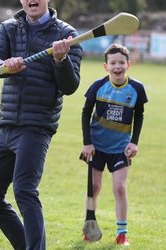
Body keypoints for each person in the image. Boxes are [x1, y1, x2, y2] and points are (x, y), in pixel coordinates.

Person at [0, 0, 83, 249]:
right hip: (7, 125)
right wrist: (3, 66)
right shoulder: (9, 28)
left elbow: (70, 87)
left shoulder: (66, 35)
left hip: (36, 126)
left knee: (25, 191)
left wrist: (61, 60)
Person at [80, 43, 148, 246]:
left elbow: (139, 115)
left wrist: (134, 142)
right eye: (113, 63)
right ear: (105, 66)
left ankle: (121, 234)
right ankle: (89, 227)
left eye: (121, 62)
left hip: (120, 148)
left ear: (128, 64)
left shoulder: (136, 88)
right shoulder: (97, 86)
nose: (117, 66)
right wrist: (87, 143)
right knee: (94, 187)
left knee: (119, 188)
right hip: (96, 147)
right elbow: (85, 114)